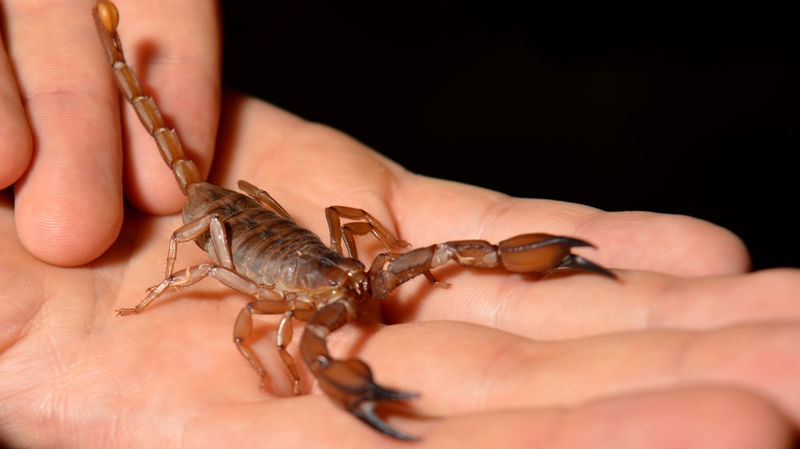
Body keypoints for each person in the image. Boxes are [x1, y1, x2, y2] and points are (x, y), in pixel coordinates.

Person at [0, 1, 797, 447]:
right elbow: (267, 327)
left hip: (279, 233)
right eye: (357, 280)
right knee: (234, 290)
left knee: (453, 252)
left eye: (360, 274)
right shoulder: (298, 311)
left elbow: (425, 242)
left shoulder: (355, 270)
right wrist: (209, 305)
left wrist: (385, 255)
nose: (359, 289)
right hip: (233, 232)